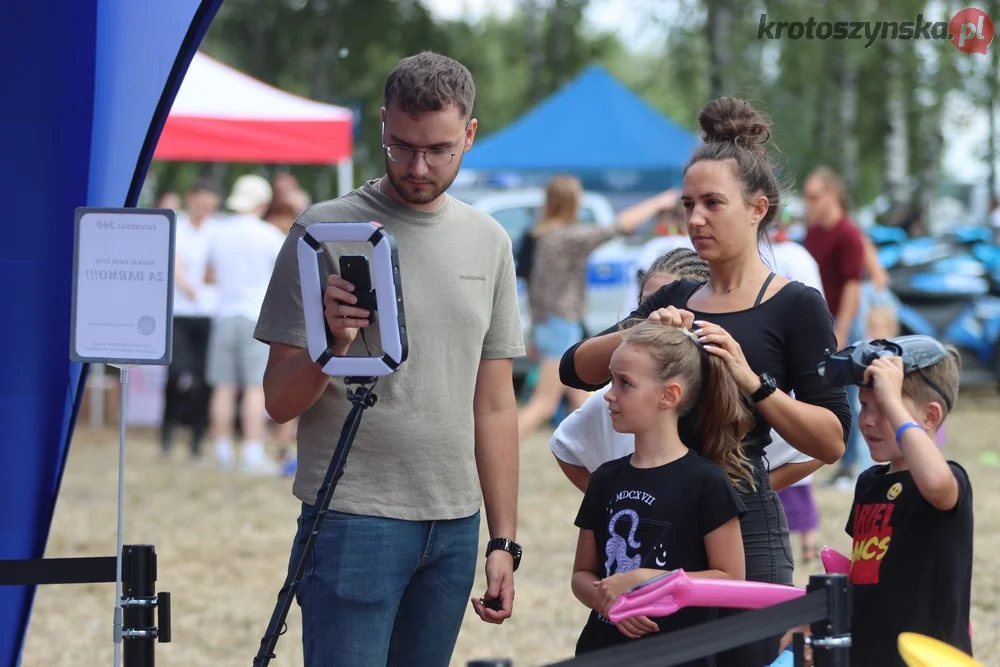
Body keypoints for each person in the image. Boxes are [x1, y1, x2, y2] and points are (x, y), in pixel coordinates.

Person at [253, 52, 525, 667]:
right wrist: (332, 344)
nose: (418, 167)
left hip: (456, 523)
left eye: (439, 150)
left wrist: (503, 539)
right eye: (400, 147)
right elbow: (278, 402)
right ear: (381, 124)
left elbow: (496, 403)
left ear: (470, 134)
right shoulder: (324, 229)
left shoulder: (489, 239)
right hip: (354, 518)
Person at [559, 97, 851, 666]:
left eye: (713, 204)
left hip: (748, 536)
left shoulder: (795, 306)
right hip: (659, 530)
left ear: (756, 209)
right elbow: (574, 367)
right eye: (689, 204)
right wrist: (640, 332)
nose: (695, 219)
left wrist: (752, 381)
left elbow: (832, 439)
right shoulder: (673, 299)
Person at [553, 248, 819, 495]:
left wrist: (746, 494)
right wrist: (613, 502)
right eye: (650, 305)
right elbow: (566, 446)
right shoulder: (617, 397)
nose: (664, 317)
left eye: (678, 308)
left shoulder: (729, 399)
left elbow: (814, 450)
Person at [571, 318, 748, 662]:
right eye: (611, 380)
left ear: (669, 396)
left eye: (625, 384)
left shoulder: (706, 482)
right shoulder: (605, 478)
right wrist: (610, 600)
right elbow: (582, 575)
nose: (608, 394)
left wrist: (645, 579)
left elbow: (731, 580)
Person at [791, 337, 972, 666]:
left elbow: (933, 481)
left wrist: (894, 401)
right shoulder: (870, 482)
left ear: (930, 417)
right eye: (865, 405)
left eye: (884, 408)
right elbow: (865, 574)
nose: (868, 420)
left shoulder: (948, 480)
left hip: (924, 660)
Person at [517, 180, 677, 442]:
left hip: (548, 322)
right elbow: (620, 226)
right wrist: (658, 202)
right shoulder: (567, 237)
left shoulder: (540, 237)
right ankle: (499, 449)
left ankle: (600, 453)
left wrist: (536, 331)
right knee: (544, 403)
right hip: (561, 323)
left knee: (583, 401)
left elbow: (535, 288)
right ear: (572, 203)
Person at [204, 173, 284, 473]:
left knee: (222, 386)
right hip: (256, 318)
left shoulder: (218, 232)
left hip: (224, 314)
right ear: (262, 203)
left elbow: (209, 276)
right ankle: (251, 452)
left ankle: (222, 451)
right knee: (254, 387)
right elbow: (282, 277)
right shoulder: (270, 235)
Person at [160, 178, 221, 460]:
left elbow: (220, 269)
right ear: (190, 200)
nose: (202, 208)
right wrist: (186, 285)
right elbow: (173, 262)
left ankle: (197, 439)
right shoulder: (177, 227)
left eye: (208, 204)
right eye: (199, 202)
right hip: (180, 312)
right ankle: (167, 434)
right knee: (175, 376)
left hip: (209, 313)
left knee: (204, 380)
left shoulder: (218, 232)